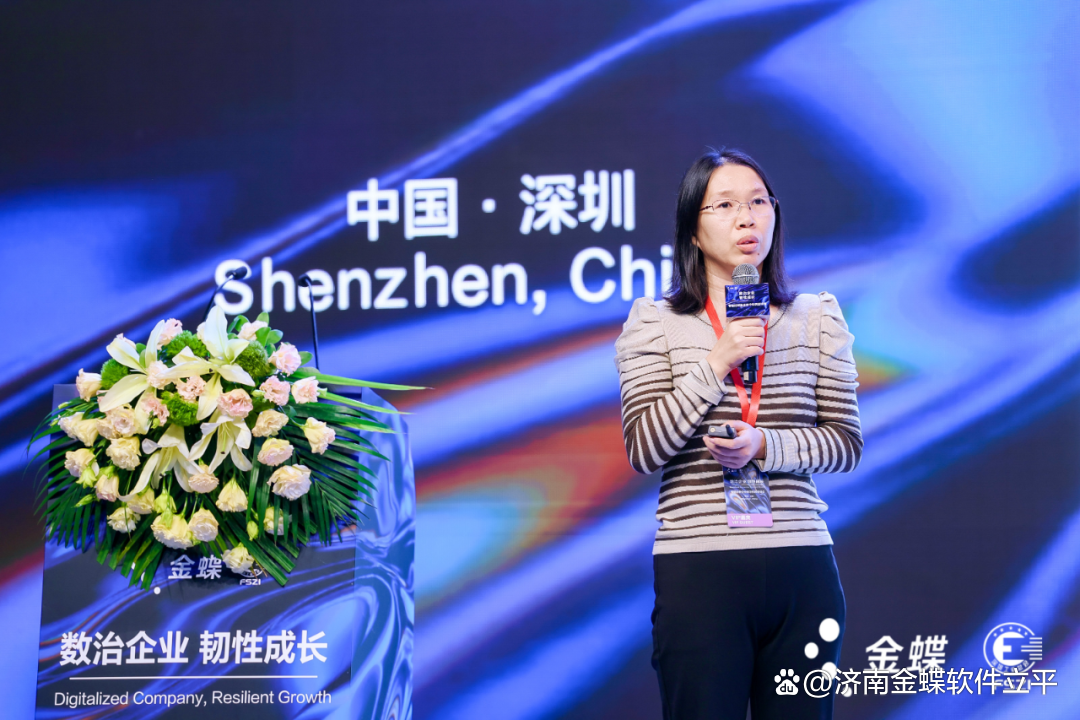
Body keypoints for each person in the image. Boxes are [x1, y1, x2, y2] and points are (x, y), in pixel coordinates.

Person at [614, 148, 863, 719]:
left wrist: (764, 446)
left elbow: (845, 443)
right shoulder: (655, 321)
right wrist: (716, 362)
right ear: (693, 231)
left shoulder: (817, 316)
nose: (747, 218)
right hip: (700, 569)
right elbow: (644, 448)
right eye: (724, 205)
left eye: (758, 202)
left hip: (801, 562)